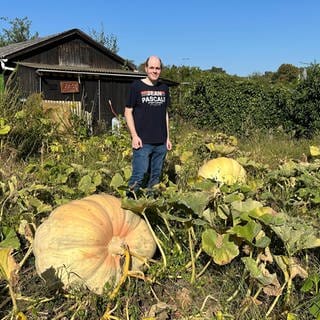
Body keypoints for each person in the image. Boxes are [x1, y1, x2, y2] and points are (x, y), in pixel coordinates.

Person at [124, 55, 172, 197]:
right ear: (146, 68)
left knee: (155, 178)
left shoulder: (164, 88)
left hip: (161, 142)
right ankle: (129, 206)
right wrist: (134, 136)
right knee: (139, 176)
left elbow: (165, 114)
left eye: (157, 68)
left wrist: (167, 138)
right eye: (152, 67)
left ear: (161, 70)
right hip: (142, 141)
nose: (154, 71)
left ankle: (149, 207)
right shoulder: (136, 86)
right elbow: (128, 112)